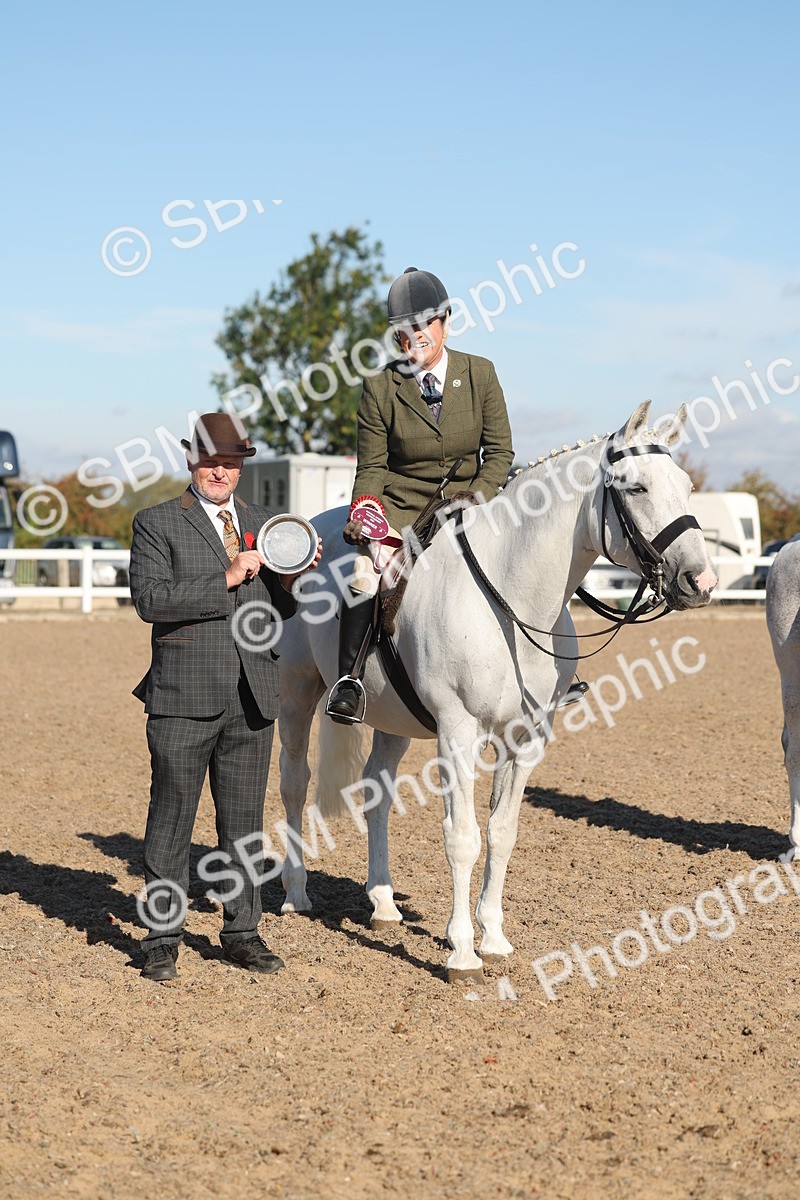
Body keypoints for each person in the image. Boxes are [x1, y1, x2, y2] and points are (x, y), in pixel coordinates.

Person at [129, 412, 321, 982]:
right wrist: (230, 576)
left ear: (241, 466)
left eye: (231, 462)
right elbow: (152, 601)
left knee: (241, 825)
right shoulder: (157, 522)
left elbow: (281, 611)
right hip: (182, 696)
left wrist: (293, 585)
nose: (220, 471)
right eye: (211, 460)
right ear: (191, 459)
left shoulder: (267, 525)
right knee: (171, 819)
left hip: (253, 694)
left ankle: (242, 931)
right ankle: (162, 936)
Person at [326, 267, 514, 723]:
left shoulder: (480, 374)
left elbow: (501, 452)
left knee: (525, 556)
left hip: (469, 507)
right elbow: (373, 466)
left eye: (424, 324)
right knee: (361, 574)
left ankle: (545, 672)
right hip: (404, 511)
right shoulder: (380, 388)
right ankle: (349, 679)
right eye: (404, 330)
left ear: (445, 322)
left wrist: (478, 497)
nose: (415, 336)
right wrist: (366, 510)